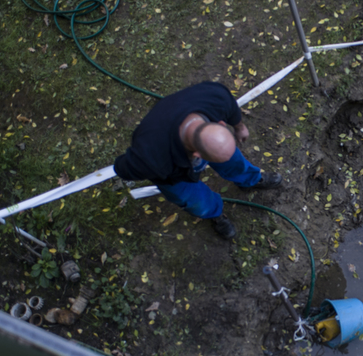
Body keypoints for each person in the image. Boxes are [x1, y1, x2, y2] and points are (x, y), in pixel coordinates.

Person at [113, 81, 282, 240]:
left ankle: (250, 180)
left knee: (234, 160)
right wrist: (137, 164)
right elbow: (123, 168)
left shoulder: (214, 97)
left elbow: (230, 104)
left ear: (221, 124)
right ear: (197, 156)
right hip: (173, 176)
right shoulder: (150, 158)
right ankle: (215, 213)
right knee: (195, 201)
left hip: (187, 145)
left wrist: (239, 127)